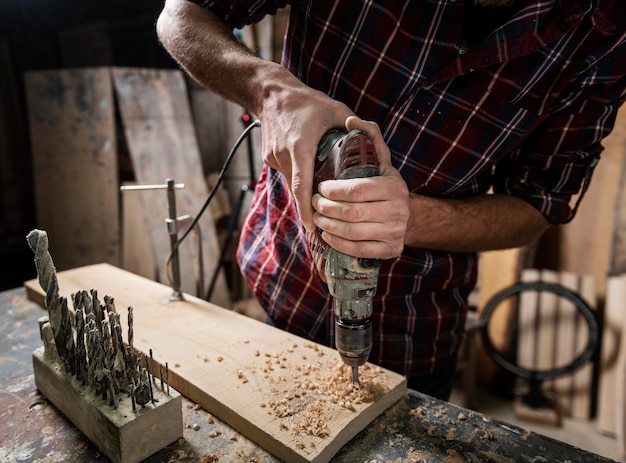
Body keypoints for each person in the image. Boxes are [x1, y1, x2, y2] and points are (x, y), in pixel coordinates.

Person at [157, 0, 626, 400]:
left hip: (418, 322)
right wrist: (271, 92)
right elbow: (180, 14)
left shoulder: (600, 34)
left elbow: (538, 205)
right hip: (283, 278)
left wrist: (409, 220)